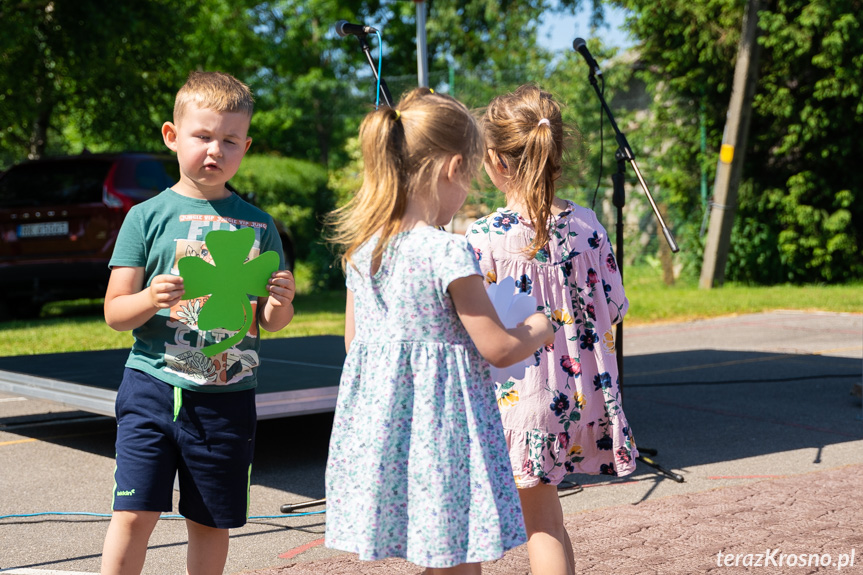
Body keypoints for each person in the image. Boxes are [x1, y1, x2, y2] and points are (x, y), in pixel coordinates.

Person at [323, 88, 555, 575]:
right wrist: (538, 327)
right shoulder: (447, 251)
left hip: (388, 431)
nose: (466, 190)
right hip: (444, 431)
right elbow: (497, 347)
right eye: (468, 178)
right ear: (452, 168)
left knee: (439, 554)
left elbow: (354, 345)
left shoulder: (362, 251)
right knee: (457, 555)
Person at [99, 71, 295, 575]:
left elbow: (270, 322)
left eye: (230, 140)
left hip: (227, 398)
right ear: (172, 135)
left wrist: (280, 302)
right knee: (134, 512)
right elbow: (115, 313)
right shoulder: (146, 216)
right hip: (152, 386)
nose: (215, 150)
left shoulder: (258, 224)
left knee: (211, 521)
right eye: (203, 136)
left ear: (246, 146)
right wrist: (147, 297)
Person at [465, 84, 638, 575]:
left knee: (537, 525)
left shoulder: (484, 236)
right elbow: (615, 308)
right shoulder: (588, 227)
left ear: (495, 161)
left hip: (522, 402)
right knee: (552, 523)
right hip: (581, 398)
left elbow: (475, 328)